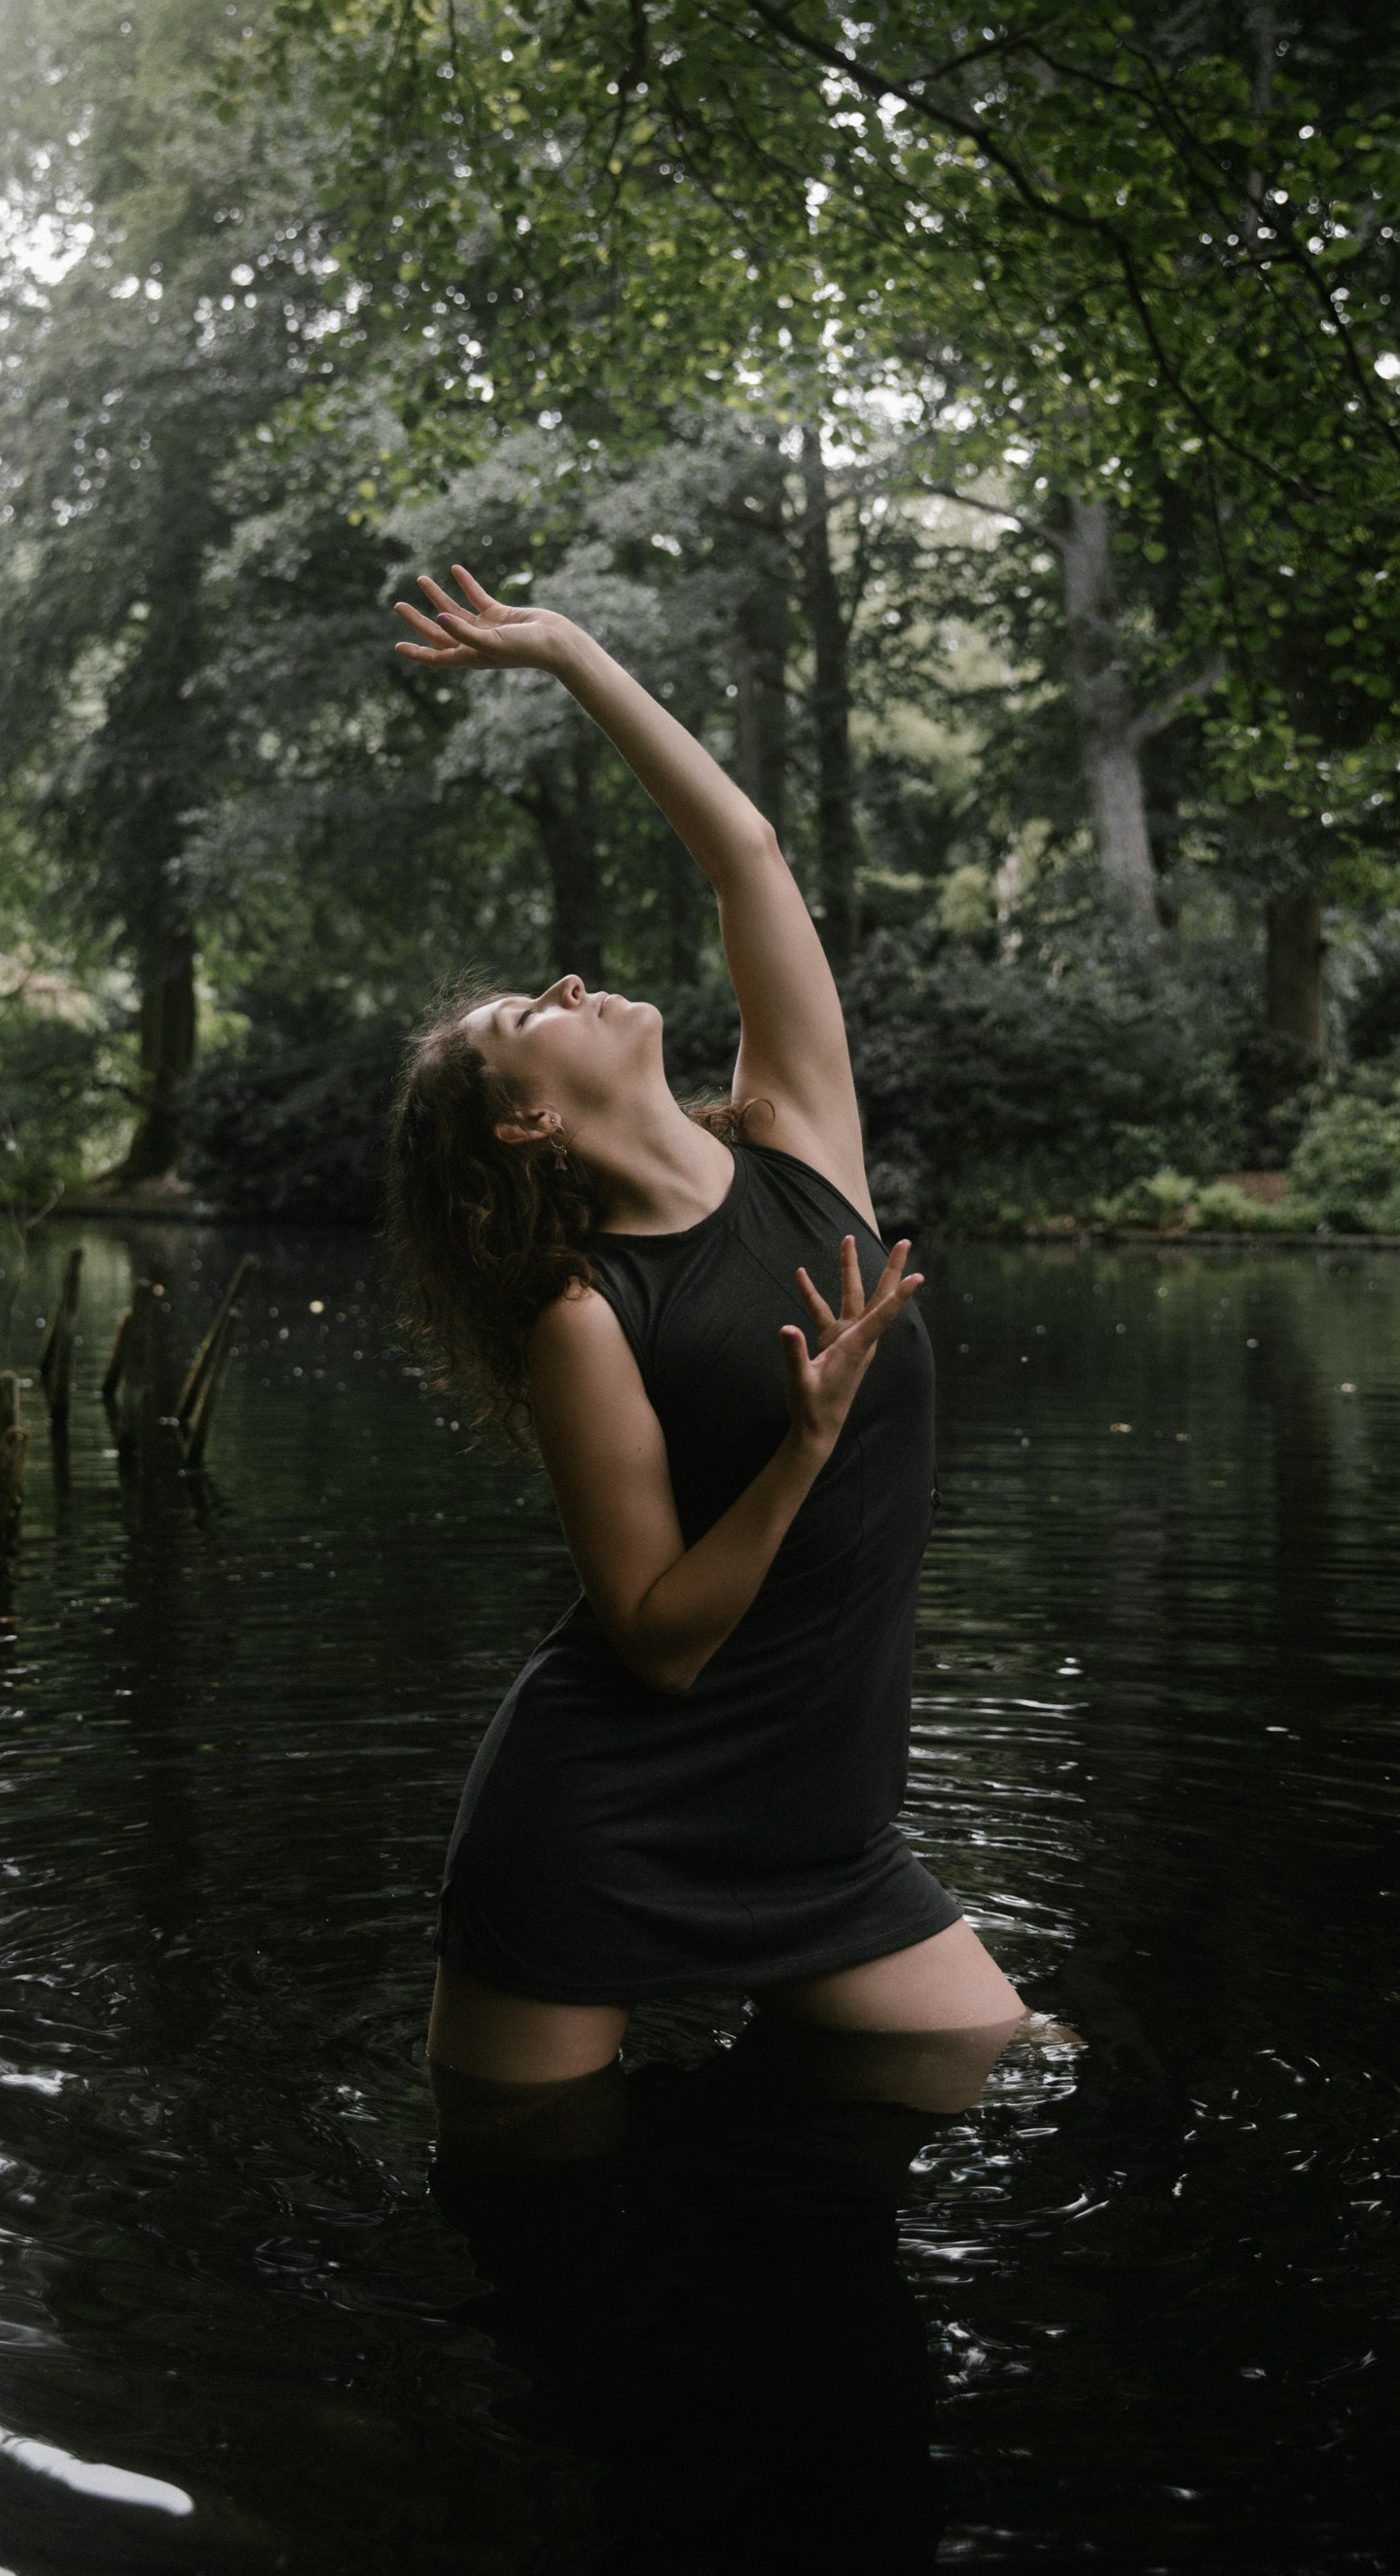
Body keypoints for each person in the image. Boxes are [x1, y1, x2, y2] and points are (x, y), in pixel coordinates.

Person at [388, 566, 1024, 2090]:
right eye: (517, 1023)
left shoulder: (804, 1144)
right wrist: (800, 1447)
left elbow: (742, 848)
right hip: (605, 1826)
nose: (560, 983)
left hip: (823, 1833)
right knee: (531, 2216)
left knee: (1010, 2063)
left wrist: (564, 653)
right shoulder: (583, 1317)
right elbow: (659, 1645)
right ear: (533, 1121)